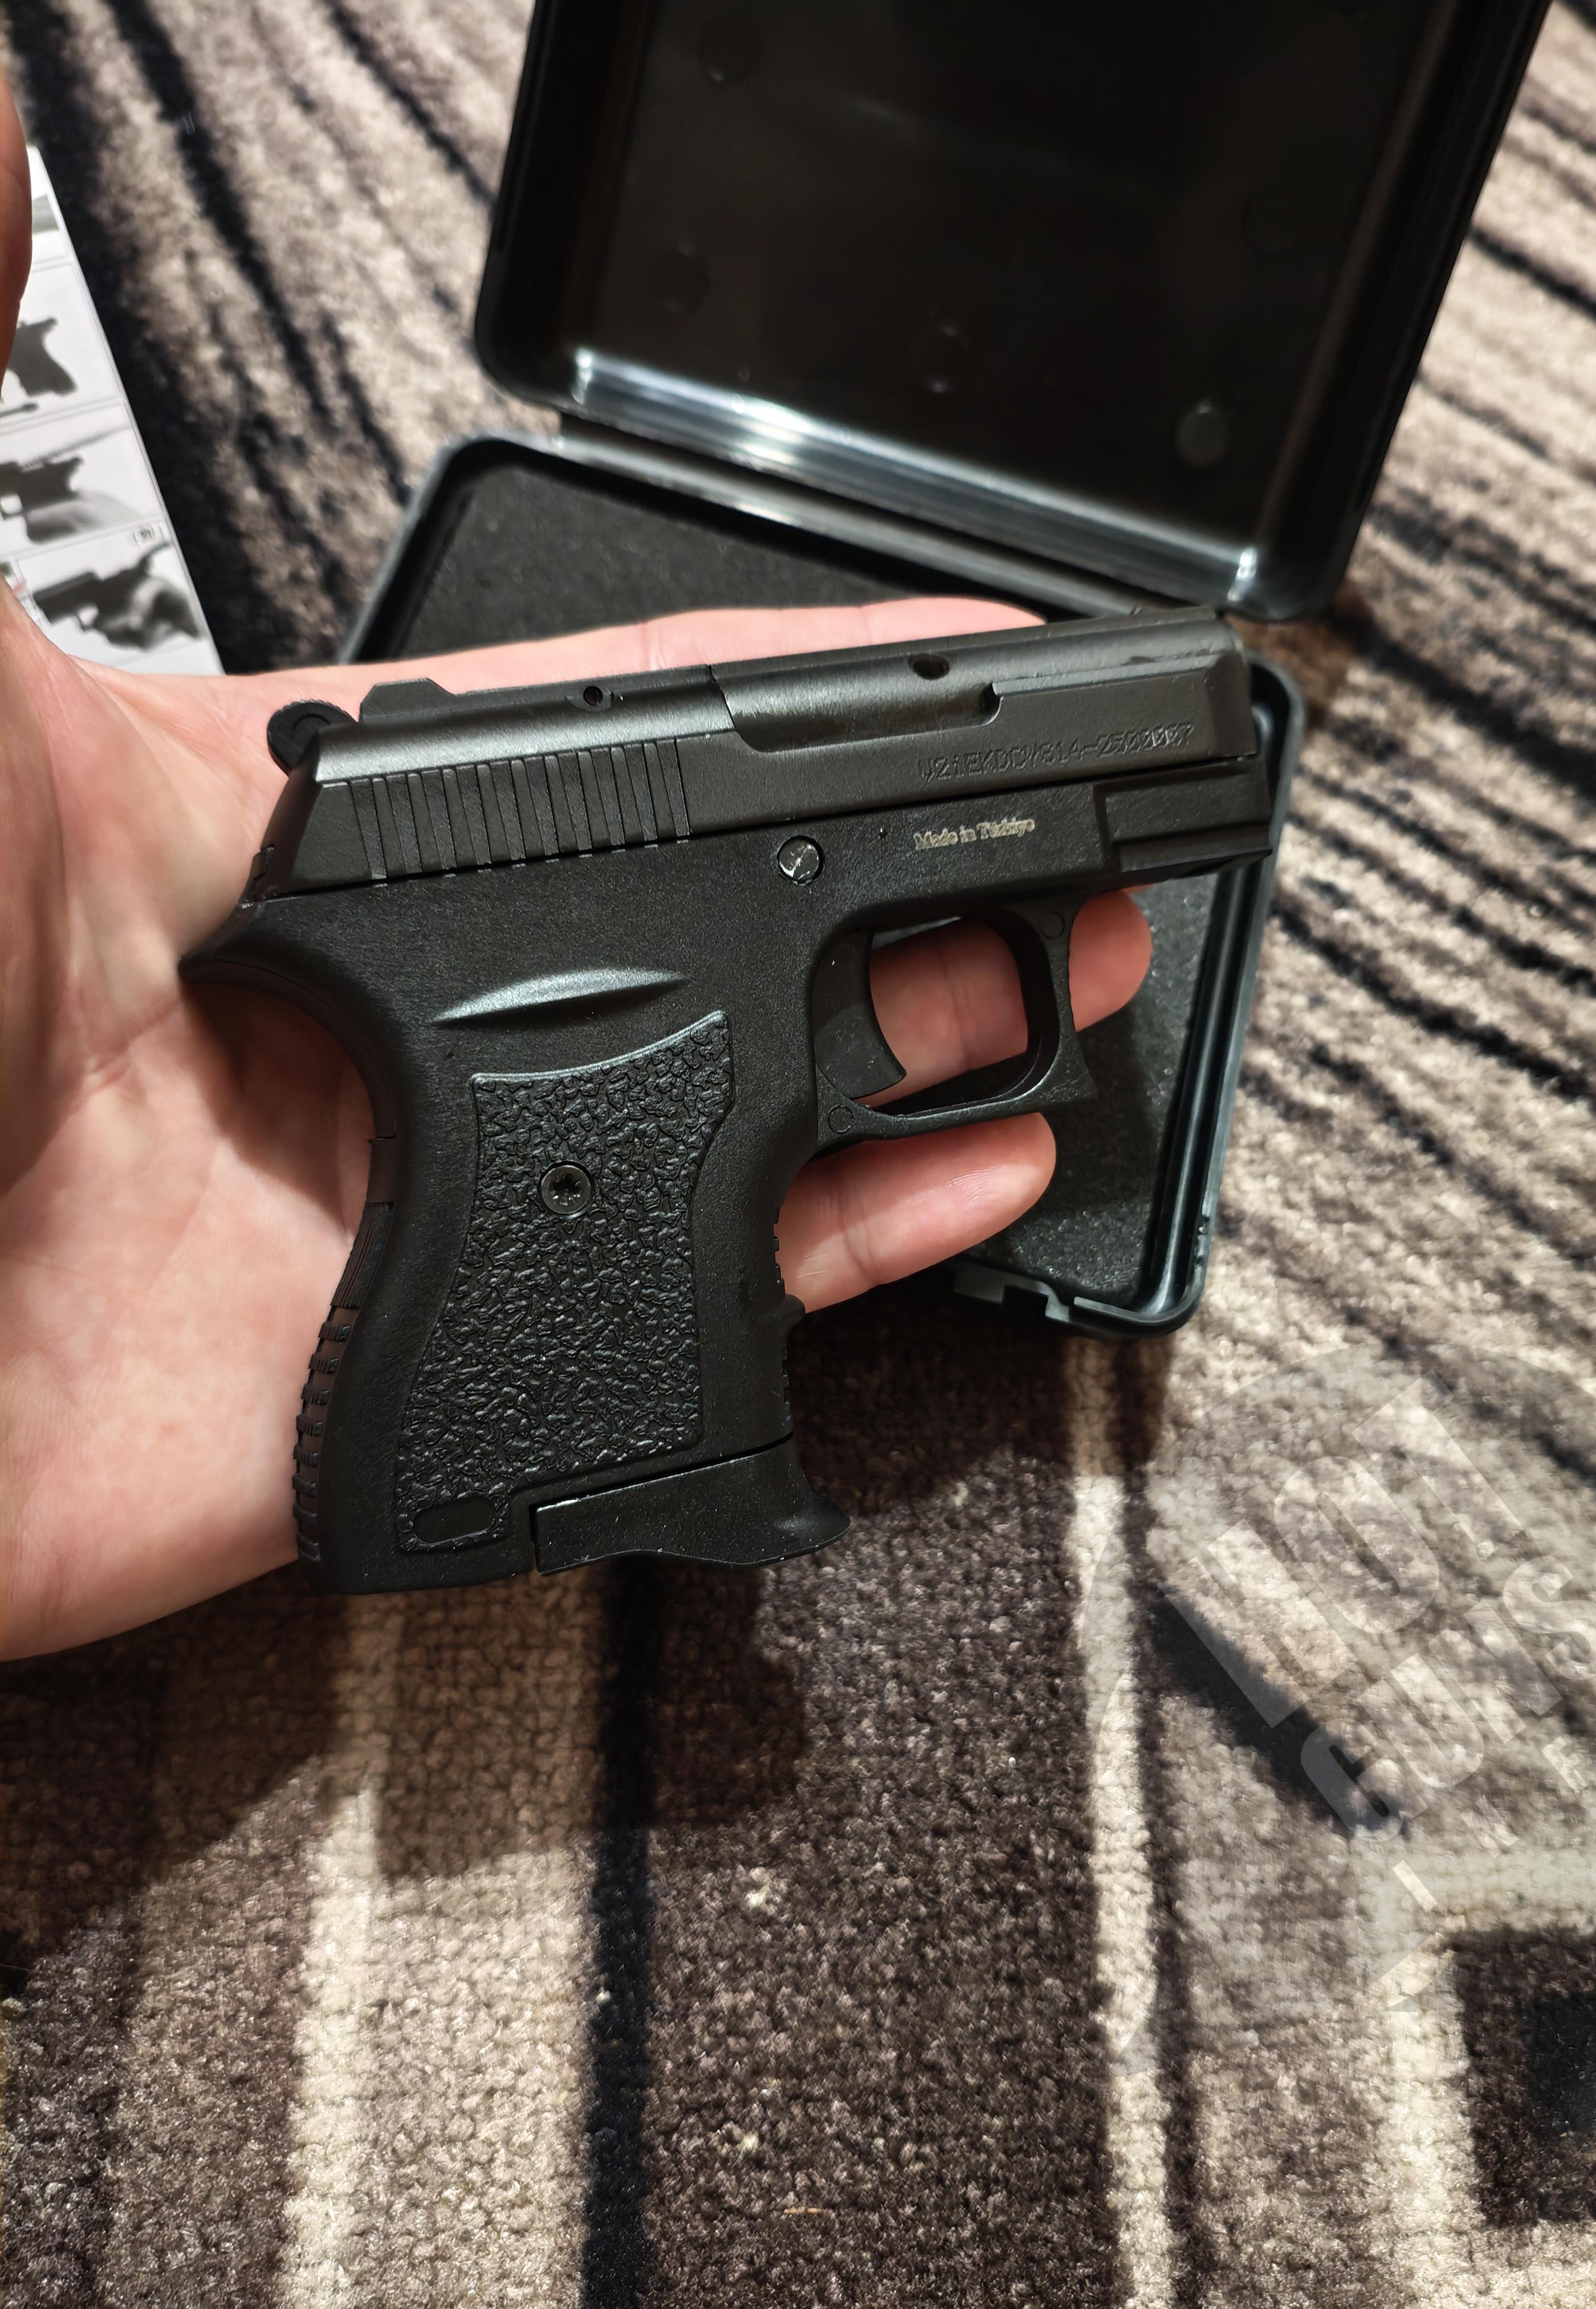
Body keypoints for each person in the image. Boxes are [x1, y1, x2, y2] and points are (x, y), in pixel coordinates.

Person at [0, 86, 1149, 1659]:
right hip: (525, 879)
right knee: (613, 1121)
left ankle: (528, 1474)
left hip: (522, 861)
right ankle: (548, 1477)